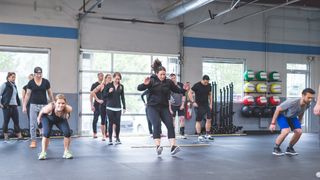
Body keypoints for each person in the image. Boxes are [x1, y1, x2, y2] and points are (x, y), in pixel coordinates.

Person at [137, 59, 185, 156]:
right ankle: (158, 147)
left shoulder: (168, 82)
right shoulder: (151, 81)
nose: (163, 76)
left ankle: (173, 147)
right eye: (161, 74)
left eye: (164, 74)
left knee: (170, 125)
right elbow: (139, 88)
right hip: (152, 107)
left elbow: (177, 90)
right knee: (157, 124)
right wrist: (144, 84)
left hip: (164, 108)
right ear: (157, 74)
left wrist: (184, 90)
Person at [269, 88, 315, 156]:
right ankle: (276, 148)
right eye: (309, 97)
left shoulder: (307, 104)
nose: (310, 100)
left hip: (292, 117)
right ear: (303, 95)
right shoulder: (292, 102)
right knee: (286, 131)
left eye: (312, 98)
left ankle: (289, 148)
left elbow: (301, 112)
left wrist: (299, 121)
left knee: (299, 132)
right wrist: (273, 123)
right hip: (282, 115)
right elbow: (278, 109)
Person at [23, 67, 54, 148]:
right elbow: (27, 95)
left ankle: (46, 138)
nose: (39, 75)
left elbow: (50, 93)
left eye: (40, 73)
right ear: (34, 74)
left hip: (44, 105)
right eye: (37, 73)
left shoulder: (46, 82)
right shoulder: (31, 82)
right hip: (33, 104)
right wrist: (24, 106)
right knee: (33, 124)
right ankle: (33, 141)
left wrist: (53, 103)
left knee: (45, 123)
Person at [37, 94, 73, 160]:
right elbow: (42, 111)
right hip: (47, 118)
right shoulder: (50, 107)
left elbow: (68, 114)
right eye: (59, 103)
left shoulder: (68, 108)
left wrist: (67, 116)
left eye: (63, 103)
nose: (61, 105)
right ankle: (43, 153)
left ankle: (66, 152)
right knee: (46, 133)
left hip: (60, 119)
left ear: (65, 103)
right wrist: (39, 119)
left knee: (67, 132)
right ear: (55, 103)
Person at [188, 75, 214, 142]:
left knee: (209, 119)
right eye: (205, 82)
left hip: (206, 104)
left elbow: (210, 95)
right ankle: (199, 135)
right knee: (198, 120)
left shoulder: (208, 85)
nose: (206, 83)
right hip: (198, 105)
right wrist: (193, 102)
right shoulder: (197, 85)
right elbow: (189, 93)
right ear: (202, 80)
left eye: (207, 82)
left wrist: (211, 104)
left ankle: (207, 134)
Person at [102, 72, 126, 145]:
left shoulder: (121, 86)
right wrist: (109, 92)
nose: (117, 80)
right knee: (110, 123)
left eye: (119, 79)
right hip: (109, 107)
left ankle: (117, 138)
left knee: (118, 123)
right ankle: (110, 139)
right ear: (113, 78)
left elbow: (122, 97)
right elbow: (104, 95)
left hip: (118, 108)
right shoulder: (108, 85)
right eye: (116, 79)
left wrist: (124, 107)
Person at [0, 72, 22, 140]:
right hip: (7, 107)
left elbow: (16, 96)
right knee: (6, 122)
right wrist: (0, 104)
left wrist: (18, 103)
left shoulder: (14, 86)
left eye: (14, 77)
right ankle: (6, 135)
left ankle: (19, 135)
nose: (14, 78)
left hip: (14, 106)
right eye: (12, 77)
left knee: (16, 121)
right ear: (8, 77)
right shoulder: (5, 85)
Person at [90, 73, 112, 141]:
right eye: (108, 78)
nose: (110, 79)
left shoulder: (111, 86)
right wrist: (97, 100)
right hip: (101, 105)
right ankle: (102, 135)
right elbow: (92, 93)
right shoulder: (101, 85)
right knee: (101, 120)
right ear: (105, 78)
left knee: (108, 121)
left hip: (110, 105)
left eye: (110, 78)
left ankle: (109, 134)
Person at [169, 73, 186, 139]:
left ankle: (182, 134)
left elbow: (184, 95)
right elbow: (168, 98)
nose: (173, 79)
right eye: (172, 79)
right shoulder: (169, 86)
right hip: (172, 105)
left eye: (174, 78)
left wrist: (182, 104)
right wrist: (170, 108)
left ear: (176, 78)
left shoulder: (180, 85)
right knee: (172, 119)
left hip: (180, 105)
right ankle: (173, 134)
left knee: (182, 119)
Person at [90, 72, 104, 138]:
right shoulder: (94, 85)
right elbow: (91, 95)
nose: (102, 77)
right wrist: (91, 105)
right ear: (98, 76)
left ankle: (104, 133)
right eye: (100, 76)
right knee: (95, 119)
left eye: (102, 76)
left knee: (105, 120)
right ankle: (94, 133)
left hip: (104, 104)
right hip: (96, 105)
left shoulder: (105, 84)